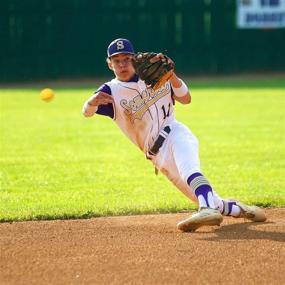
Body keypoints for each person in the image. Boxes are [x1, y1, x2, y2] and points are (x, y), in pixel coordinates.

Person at [82, 38, 266, 232]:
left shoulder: (157, 75)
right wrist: (92, 102)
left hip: (175, 134)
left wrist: (171, 76)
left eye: (126, 58)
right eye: (116, 60)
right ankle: (241, 210)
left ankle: (205, 209)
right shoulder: (110, 91)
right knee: (209, 198)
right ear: (109, 64)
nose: (122, 64)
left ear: (134, 59)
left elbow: (186, 98)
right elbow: (86, 112)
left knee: (190, 171)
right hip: (158, 157)